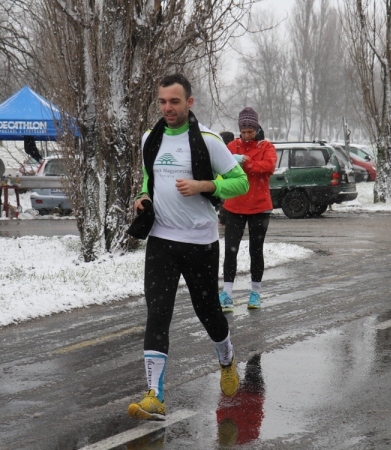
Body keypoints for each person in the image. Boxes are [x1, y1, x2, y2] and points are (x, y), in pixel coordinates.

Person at [127, 74, 249, 421]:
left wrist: (203, 185)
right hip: (162, 241)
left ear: (189, 103)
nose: (168, 108)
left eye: (175, 102)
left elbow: (240, 182)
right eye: (163, 101)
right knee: (158, 313)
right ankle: (155, 396)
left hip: (199, 241)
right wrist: (143, 196)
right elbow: (149, 176)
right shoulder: (150, 138)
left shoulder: (208, 140)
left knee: (207, 311)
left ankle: (226, 358)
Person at [219, 107, 277, 311]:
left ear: (256, 128)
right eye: (242, 131)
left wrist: (248, 163)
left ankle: (255, 293)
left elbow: (268, 167)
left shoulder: (266, 146)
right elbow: (221, 167)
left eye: (249, 132)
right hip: (234, 206)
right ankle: (226, 294)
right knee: (230, 251)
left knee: (256, 250)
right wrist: (233, 161)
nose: (245, 136)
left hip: (260, 207)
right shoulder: (232, 145)